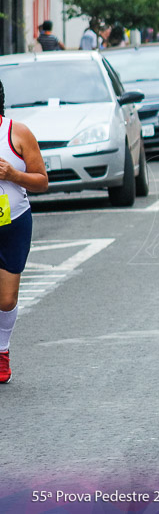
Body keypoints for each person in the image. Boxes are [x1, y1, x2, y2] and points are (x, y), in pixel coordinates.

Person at [0, 79, 49, 383]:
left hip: (13, 222)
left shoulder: (17, 133)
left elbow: (42, 181)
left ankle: (2, 351)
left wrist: (13, 174)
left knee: (5, 299)